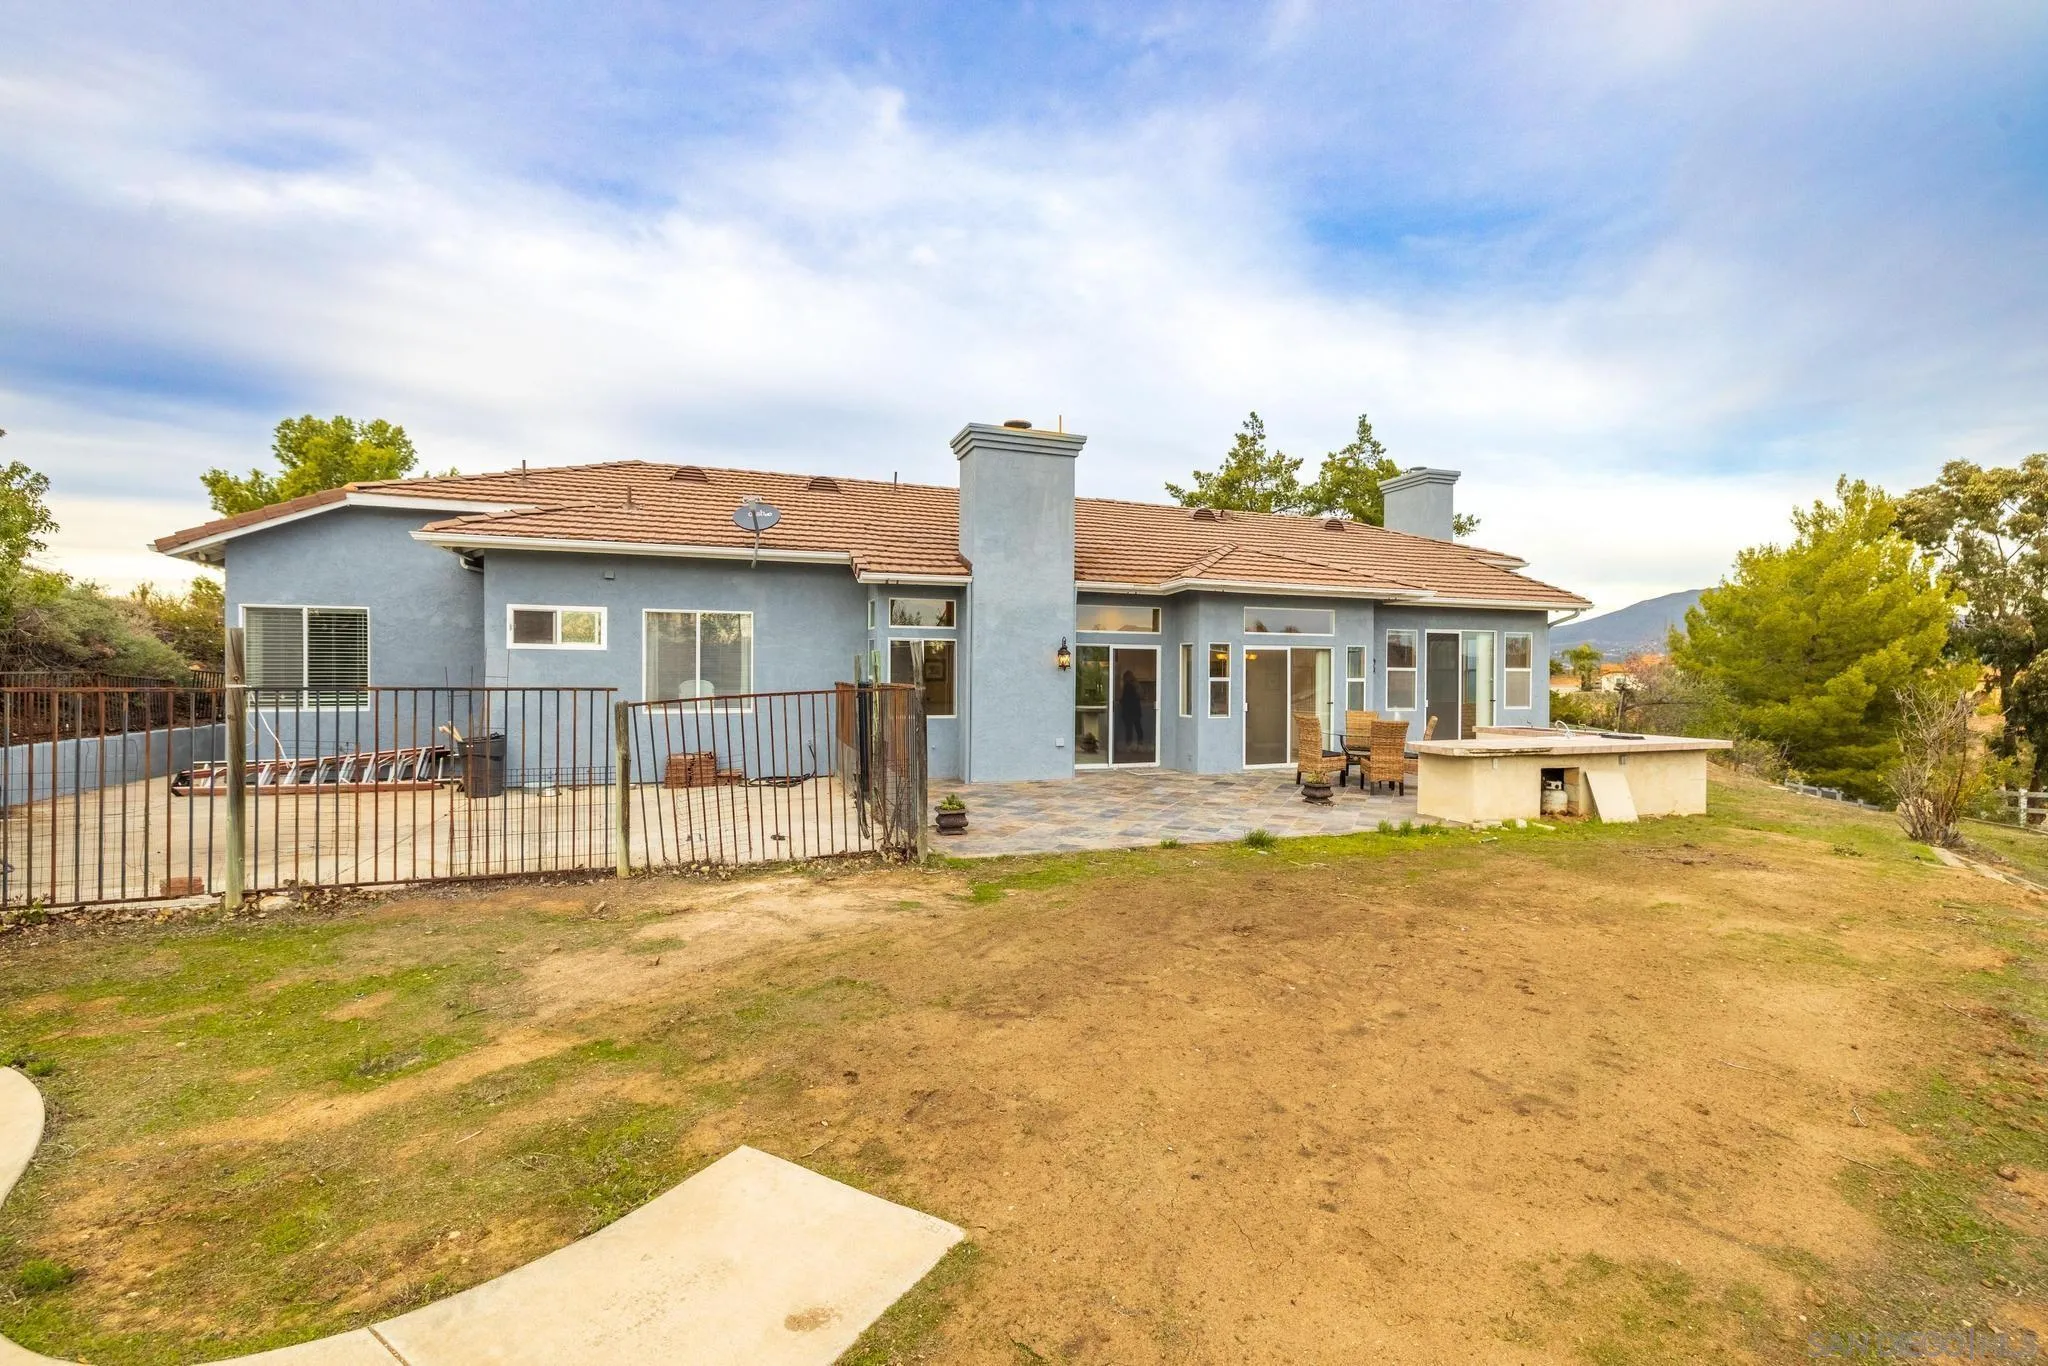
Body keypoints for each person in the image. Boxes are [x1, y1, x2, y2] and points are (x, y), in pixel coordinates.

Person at [1116, 669, 1145, 749]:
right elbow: (1139, 696)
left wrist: (1120, 701)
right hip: (1136, 710)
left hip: (1129, 711)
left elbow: (1126, 699)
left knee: (1129, 729)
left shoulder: (1127, 686)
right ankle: (1140, 744)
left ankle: (1128, 745)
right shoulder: (1136, 684)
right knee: (1138, 727)